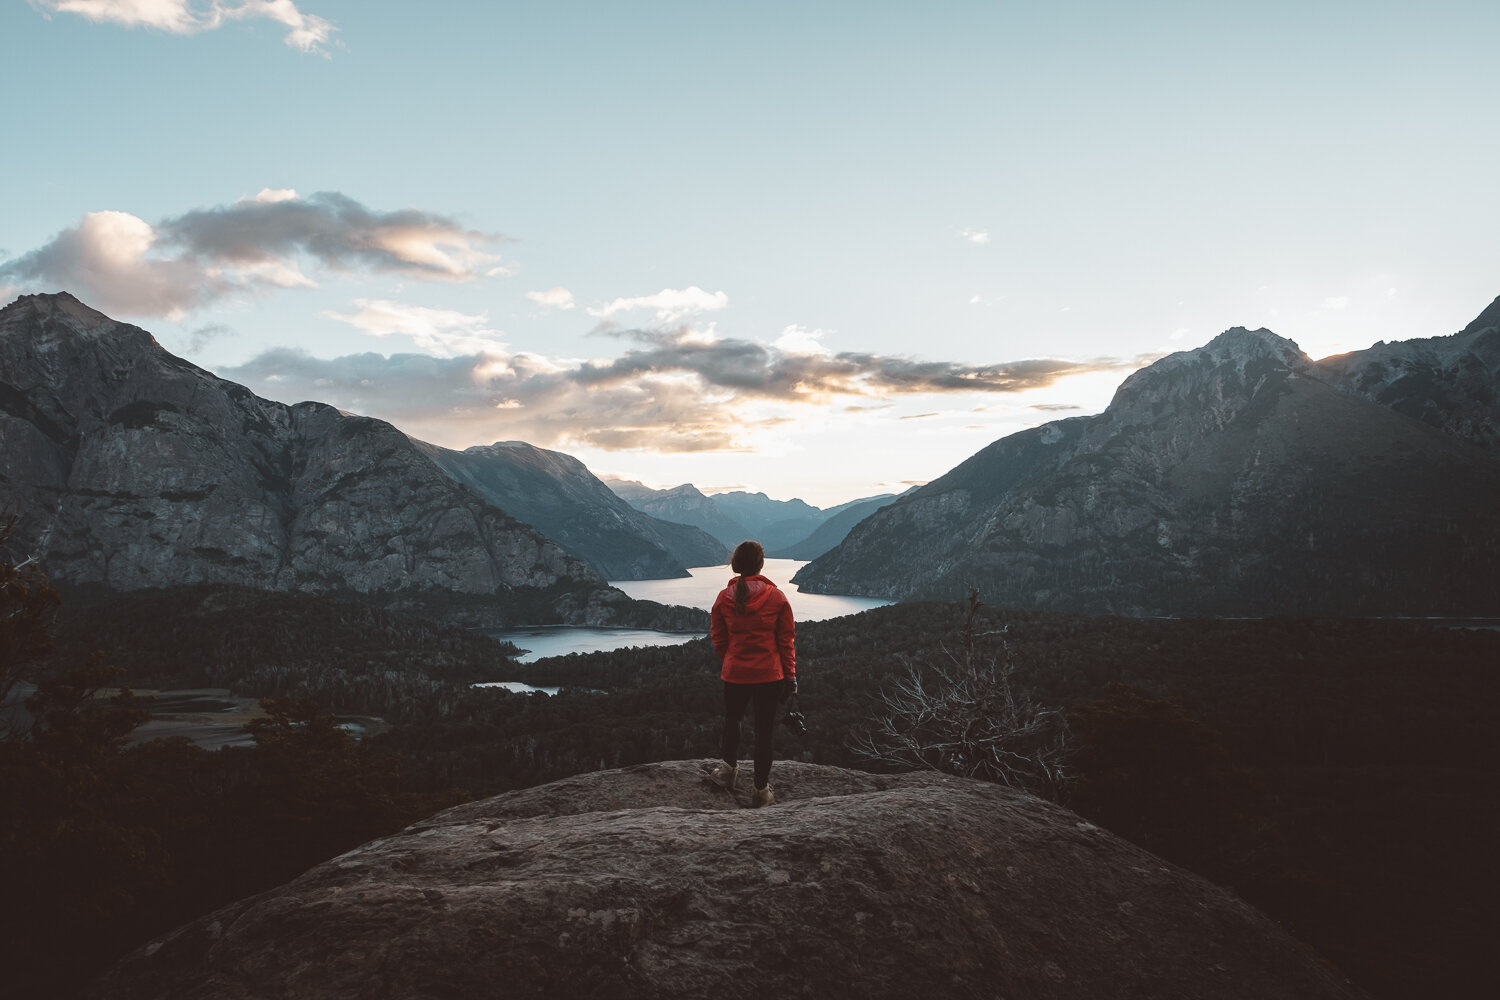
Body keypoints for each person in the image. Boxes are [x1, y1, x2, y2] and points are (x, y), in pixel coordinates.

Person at [709, 540, 796, 807]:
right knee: (763, 733)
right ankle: (760, 792)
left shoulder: (724, 598)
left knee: (732, 721)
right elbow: (786, 640)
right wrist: (790, 676)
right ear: (760, 563)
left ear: (736, 564)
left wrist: (732, 660)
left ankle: (727, 773)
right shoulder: (776, 597)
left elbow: (718, 637)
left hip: (735, 673)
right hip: (769, 675)